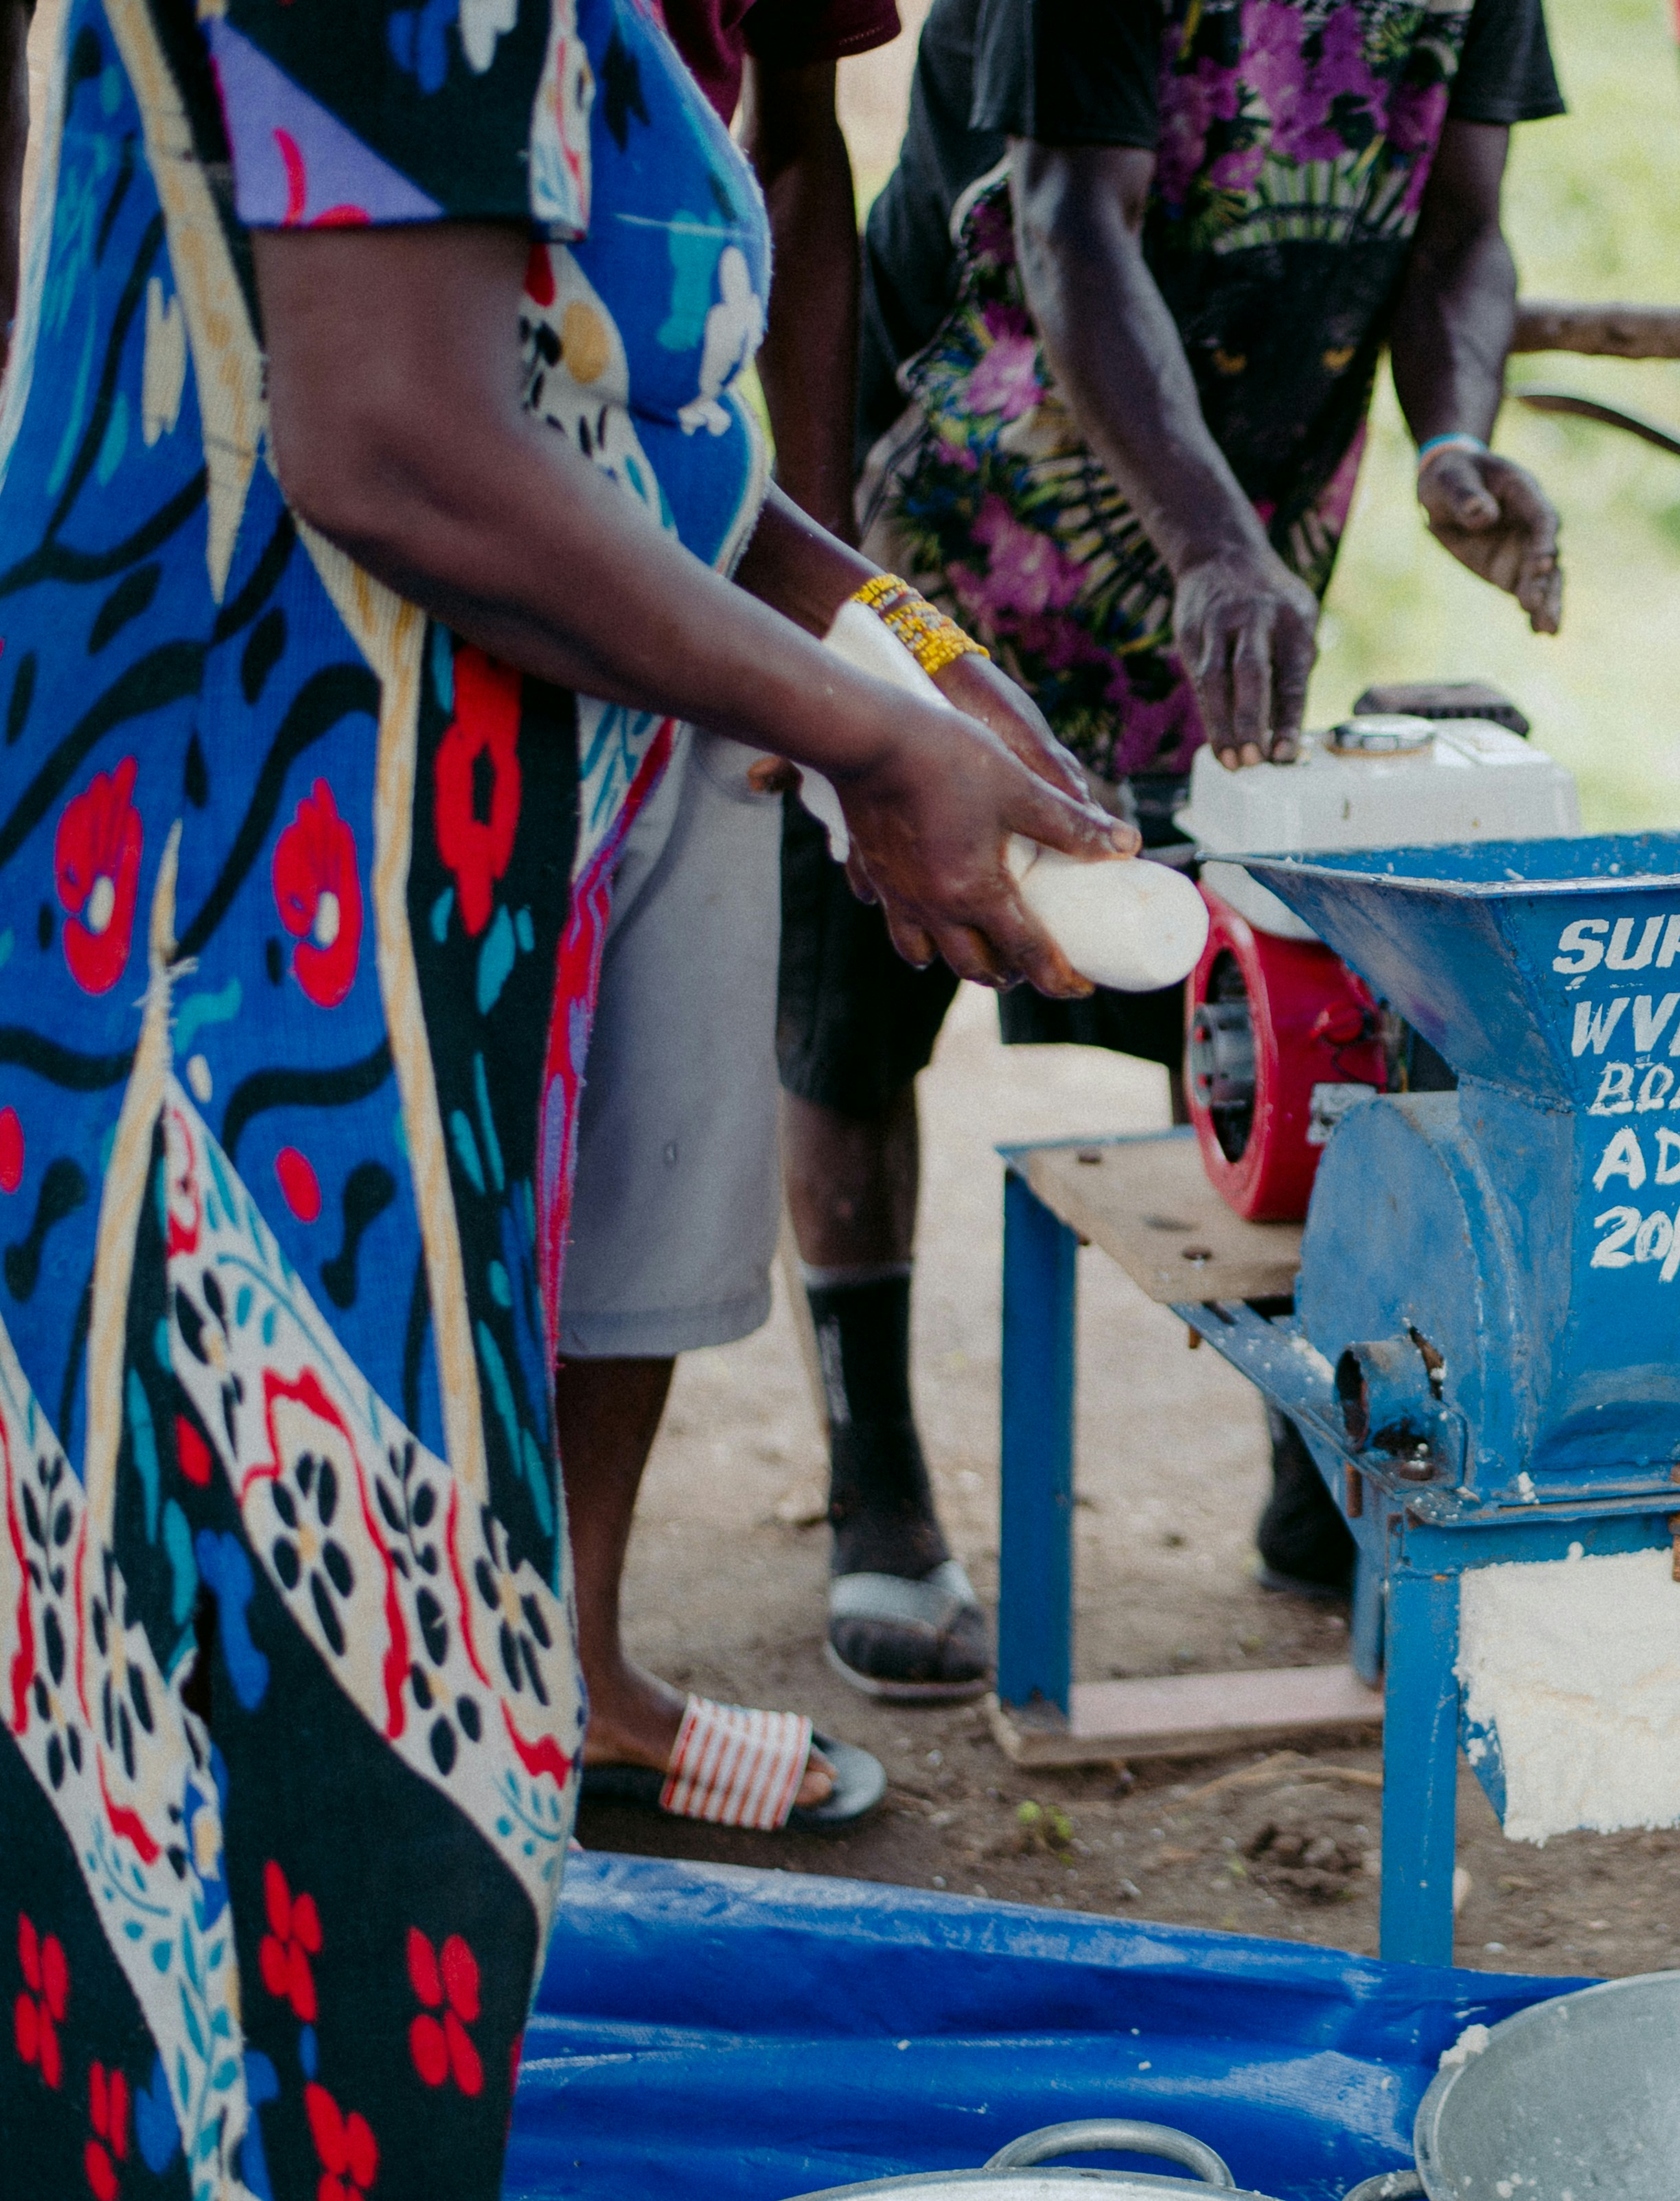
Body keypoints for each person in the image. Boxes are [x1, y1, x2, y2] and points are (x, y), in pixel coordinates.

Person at [0, 0, 1126, 2190]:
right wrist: (869, 743)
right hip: (219, 1050)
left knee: (385, 1865)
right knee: (277, 1916)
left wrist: (887, 648)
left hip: (394, 1049)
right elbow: (399, 432)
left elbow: (614, 409)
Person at [781, 0, 1570, 1693]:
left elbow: (1460, 227)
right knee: (857, 994)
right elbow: (1069, 220)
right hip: (955, 510)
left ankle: (1310, 1468)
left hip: (1240, 526)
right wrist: (1211, 541)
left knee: (1244, 987)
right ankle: (879, 1493)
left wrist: (1446, 437)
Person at [557, 0, 908, 1835]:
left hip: (686, 534)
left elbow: (798, 140)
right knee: (449, 1180)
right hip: (437, 582)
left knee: (665, 1132)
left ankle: (574, 1658)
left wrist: (831, 620)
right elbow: (407, 417)